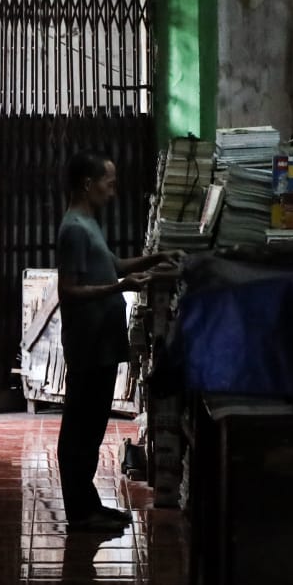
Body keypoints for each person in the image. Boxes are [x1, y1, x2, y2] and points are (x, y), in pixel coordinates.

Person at [55, 151, 175, 533]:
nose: (114, 191)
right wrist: (119, 288)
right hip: (88, 344)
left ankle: (88, 504)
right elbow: (69, 290)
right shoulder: (74, 228)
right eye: (109, 183)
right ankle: (79, 511)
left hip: (102, 343)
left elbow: (115, 265)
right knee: (79, 429)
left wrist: (155, 259)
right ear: (88, 184)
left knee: (91, 428)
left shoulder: (88, 223)